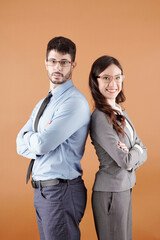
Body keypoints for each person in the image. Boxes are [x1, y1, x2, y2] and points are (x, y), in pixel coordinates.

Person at [16, 36, 90, 240]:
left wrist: (35, 137)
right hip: (43, 193)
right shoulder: (44, 103)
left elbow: (42, 144)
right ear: (46, 63)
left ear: (73, 64)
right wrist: (37, 138)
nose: (58, 67)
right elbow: (19, 144)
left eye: (64, 62)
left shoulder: (74, 102)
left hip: (61, 192)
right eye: (53, 61)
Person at [89, 55, 147, 240]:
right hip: (110, 193)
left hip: (124, 188)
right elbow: (125, 160)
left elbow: (143, 149)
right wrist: (135, 152)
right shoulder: (100, 117)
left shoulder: (120, 111)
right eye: (106, 77)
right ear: (96, 80)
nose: (112, 83)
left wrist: (135, 152)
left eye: (117, 77)